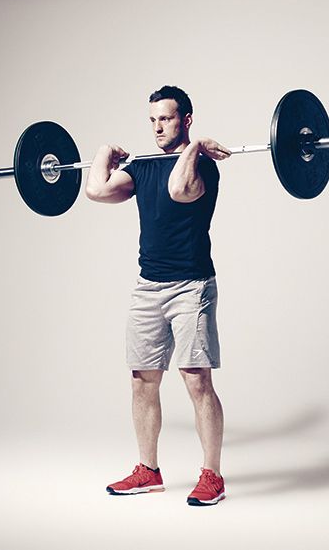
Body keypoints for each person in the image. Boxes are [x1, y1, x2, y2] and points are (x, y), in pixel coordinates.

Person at [84, 85, 231, 506]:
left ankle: (212, 476)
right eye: (151, 120)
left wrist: (198, 145)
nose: (157, 127)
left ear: (185, 119)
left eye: (165, 119)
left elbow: (180, 190)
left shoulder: (204, 164)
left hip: (191, 286)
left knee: (196, 378)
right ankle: (148, 470)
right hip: (148, 286)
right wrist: (103, 154)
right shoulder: (143, 166)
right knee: (142, 380)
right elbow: (97, 191)